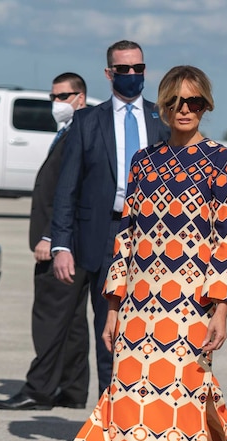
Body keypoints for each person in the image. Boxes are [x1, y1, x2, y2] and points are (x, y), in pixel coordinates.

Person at [66, 65, 227, 441]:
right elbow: (126, 236)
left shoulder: (219, 160)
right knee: (133, 405)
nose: (184, 109)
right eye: (174, 102)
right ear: (163, 107)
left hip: (191, 305)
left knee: (190, 402)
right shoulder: (145, 162)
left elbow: (224, 236)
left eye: (193, 102)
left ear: (206, 105)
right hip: (139, 306)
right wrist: (112, 305)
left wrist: (222, 309)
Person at [51, 40, 169, 398]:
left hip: (152, 239)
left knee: (149, 331)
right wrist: (61, 244)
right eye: (123, 69)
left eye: (138, 68)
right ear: (109, 74)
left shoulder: (161, 119)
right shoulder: (88, 121)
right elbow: (66, 189)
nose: (132, 75)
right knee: (108, 330)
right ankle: (109, 418)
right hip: (105, 235)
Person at [0, 72, 91, 411]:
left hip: (61, 242)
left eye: (63, 96)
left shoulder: (79, 132)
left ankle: (39, 390)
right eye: (53, 97)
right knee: (72, 320)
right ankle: (74, 389)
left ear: (81, 97)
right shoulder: (71, 132)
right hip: (73, 242)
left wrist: (51, 236)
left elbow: (72, 192)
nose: (57, 103)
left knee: (49, 317)